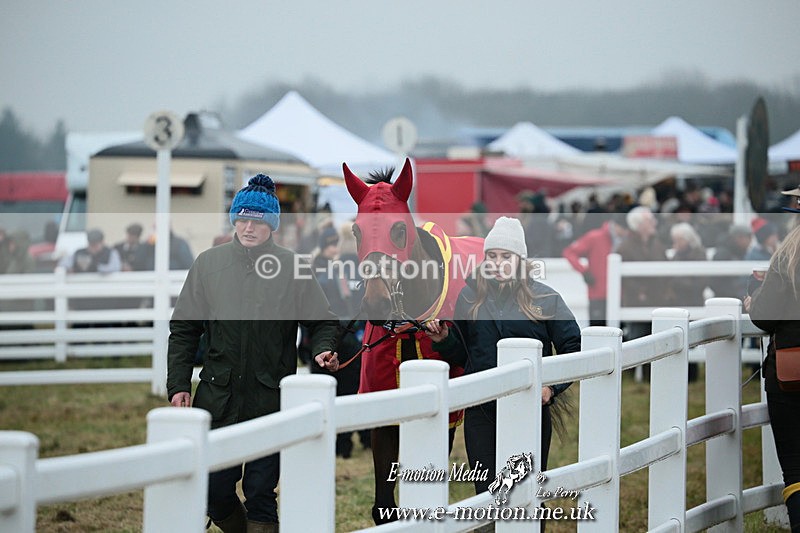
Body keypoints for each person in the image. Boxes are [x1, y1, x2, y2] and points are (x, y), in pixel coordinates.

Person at [167, 174, 340, 533]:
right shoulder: (208, 264)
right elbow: (184, 329)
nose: (248, 227)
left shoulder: (293, 267)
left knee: (261, 493)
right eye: (242, 219)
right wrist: (178, 385)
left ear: (272, 225)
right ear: (234, 220)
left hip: (270, 400)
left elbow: (323, 322)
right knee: (213, 492)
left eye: (257, 221)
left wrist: (323, 350)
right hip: (218, 398)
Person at [425, 216, 580, 498]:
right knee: (487, 493)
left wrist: (551, 388)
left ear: (519, 259)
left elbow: (573, 348)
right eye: (492, 256)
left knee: (526, 490)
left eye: (505, 256)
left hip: (529, 407)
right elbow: (465, 355)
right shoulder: (469, 298)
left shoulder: (545, 299)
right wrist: (444, 340)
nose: (497, 262)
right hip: (481, 409)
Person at [748, 222, 800, 532]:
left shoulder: (789, 254)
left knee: (795, 467)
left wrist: (754, 302)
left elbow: (765, 317)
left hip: (791, 374)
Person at [562, 212, 629, 326]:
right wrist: (584, 271)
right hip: (598, 293)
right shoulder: (595, 237)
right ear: (618, 226)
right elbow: (569, 252)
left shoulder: (625, 241)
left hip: (619, 294)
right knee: (598, 331)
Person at [616, 206, 672, 340]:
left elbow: (667, 271)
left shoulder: (658, 245)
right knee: (637, 344)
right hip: (636, 305)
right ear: (638, 224)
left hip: (659, 304)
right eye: (650, 220)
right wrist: (640, 291)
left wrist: (667, 292)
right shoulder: (624, 248)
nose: (654, 222)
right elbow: (624, 279)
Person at [669, 222, 707, 382]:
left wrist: (677, 281)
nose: (675, 245)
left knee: (692, 337)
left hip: (692, 299)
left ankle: (692, 374)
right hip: (679, 301)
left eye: (678, 241)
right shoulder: (677, 255)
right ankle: (682, 373)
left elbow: (700, 281)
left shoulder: (699, 254)